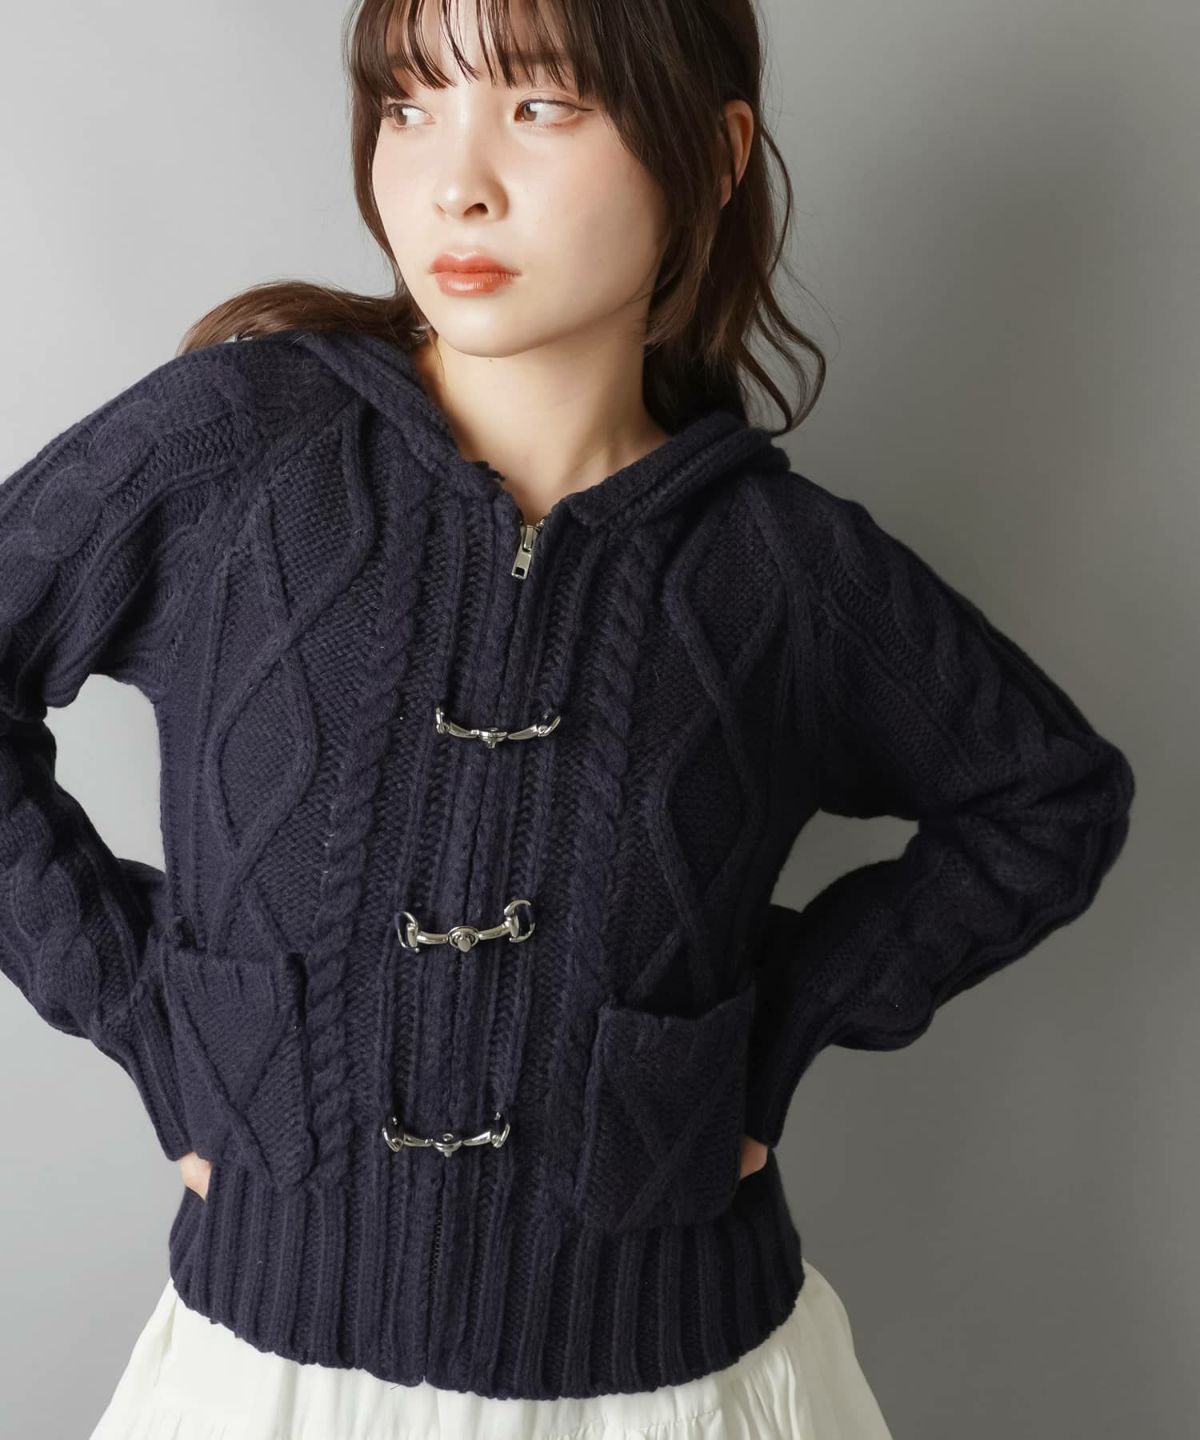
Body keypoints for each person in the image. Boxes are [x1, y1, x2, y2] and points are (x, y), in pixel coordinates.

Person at [0, 1, 1134, 1437]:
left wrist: (781, 1028)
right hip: (274, 1382)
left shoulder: (785, 569)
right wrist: (145, 1014)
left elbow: (1048, 800)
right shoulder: (234, 448)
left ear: (716, 154)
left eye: (541, 106)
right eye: (410, 104)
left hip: (675, 1388)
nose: (453, 183)